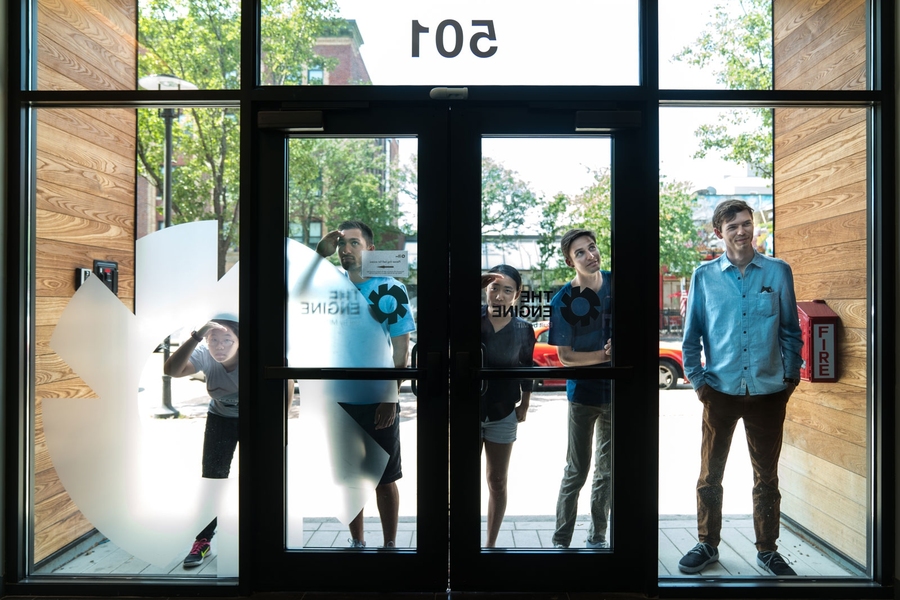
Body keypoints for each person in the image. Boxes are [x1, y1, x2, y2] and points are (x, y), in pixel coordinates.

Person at [678, 199, 803, 577]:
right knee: (710, 475)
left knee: (767, 477)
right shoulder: (704, 276)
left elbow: (790, 331)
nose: (742, 231)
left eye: (746, 223)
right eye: (733, 226)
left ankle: (768, 550)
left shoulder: (778, 272)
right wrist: (699, 383)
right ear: (720, 233)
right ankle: (707, 543)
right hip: (719, 391)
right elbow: (691, 338)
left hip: (769, 391)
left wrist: (789, 378)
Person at [316, 220, 415, 548]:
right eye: (341, 243)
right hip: (339, 398)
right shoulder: (331, 285)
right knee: (349, 479)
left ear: (370, 250)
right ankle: (357, 543)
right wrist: (320, 253)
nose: (345, 249)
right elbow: (295, 287)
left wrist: (391, 396)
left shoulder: (389, 288)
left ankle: (389, 546)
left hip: (377, 398)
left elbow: (401, 350)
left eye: (354, 243)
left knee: (384, 478)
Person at [548, 229, 613, 549]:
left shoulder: (617, 283)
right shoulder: (563, 300)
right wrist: (606, 355)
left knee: (607, 470)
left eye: (592, 247)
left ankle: (598, 536)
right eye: (580, 253)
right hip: (583, 395)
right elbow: (566, 357)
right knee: (577, 470)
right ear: (569, 261)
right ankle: (561, 541)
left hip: (616, 391)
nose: (590, 255)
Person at [164, 317, 240, 568]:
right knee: (213, 480)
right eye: (213, 340)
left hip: (257, 419)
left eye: (227, 340)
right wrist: (198, 335)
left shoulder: (253, 355)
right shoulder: (205, 353)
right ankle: (203, 541)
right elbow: (172, 370)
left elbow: (286, 382)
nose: (220, 346)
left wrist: (281, 422)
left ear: (239, 341)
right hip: (221, 419)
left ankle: (257, 538)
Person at [479, 265, 535, 547]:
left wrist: (525, 403)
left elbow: (527, 367)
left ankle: (489, 544)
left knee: (497, 480)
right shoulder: (470, 320)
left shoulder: (523, 329)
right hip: (467, 409)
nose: (499, 295)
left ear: (517, 294)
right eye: (494, 288)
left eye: (507, 290)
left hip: (503, 412)